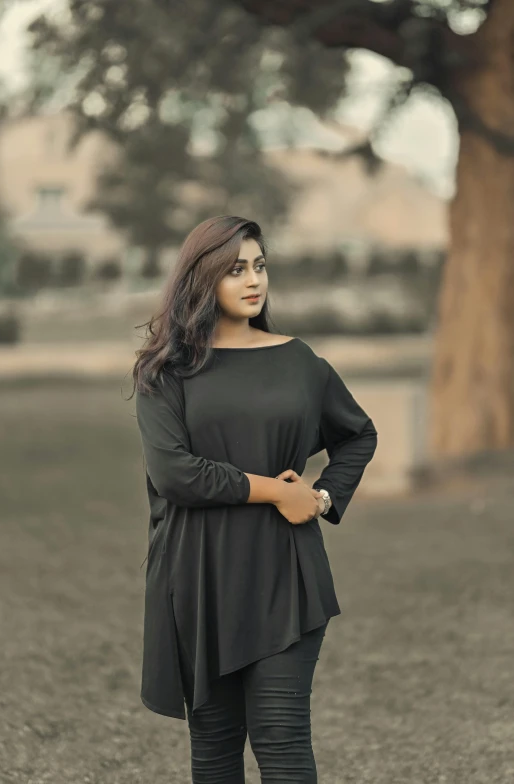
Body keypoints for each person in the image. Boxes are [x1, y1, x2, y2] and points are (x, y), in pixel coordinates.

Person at [129, 215, 378, 783]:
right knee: (215, 748)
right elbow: (175, 474)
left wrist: (321, 497)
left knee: (283, 741)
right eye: (235, 269)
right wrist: (273, 491)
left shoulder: (299, 361)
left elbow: (358, 433)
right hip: (198, 576)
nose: (253, 280)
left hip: (284, 573)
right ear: (201, 279)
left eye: (260, 266)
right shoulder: (165, 371)